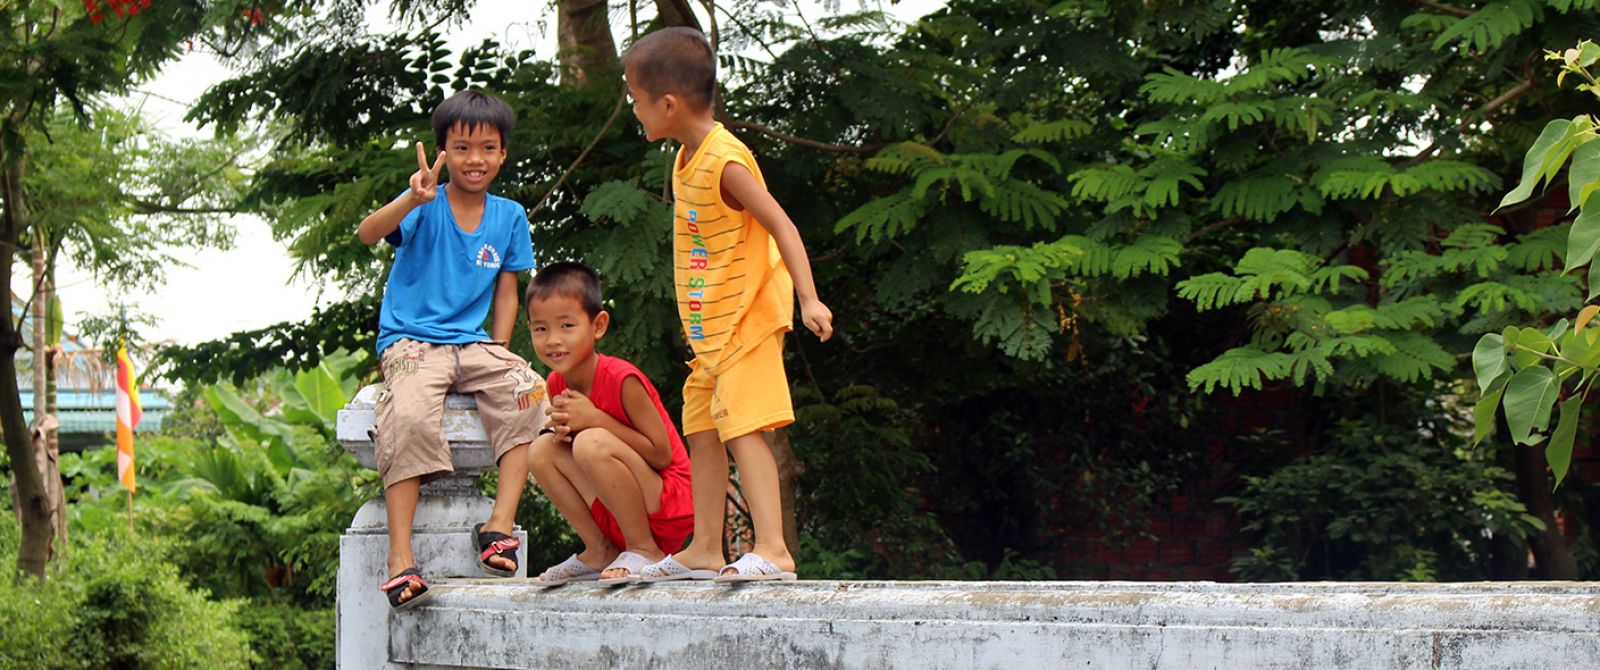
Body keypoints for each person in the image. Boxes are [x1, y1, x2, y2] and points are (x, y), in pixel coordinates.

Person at [621, 27, 834, 582]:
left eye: (636, 100)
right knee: (702, 428)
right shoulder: (686, 158)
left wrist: (809, 298)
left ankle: (774, 551)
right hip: (710, 331)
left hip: (746, 320)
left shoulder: (725, 161)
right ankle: (704, 549)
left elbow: (781, 224)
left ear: (667, 104)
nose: (635, 111)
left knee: (743, 427)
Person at [356, 90, 547, 609]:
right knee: (413, 416)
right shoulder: (425, 202)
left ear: (504, 153)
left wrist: (503, 350)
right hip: (411, 341)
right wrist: (411, 199)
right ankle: (401, 559)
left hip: (473, 343)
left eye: (487, 148)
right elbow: (367, 232)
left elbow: (508, 290)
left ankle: (498, 528)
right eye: (462, 148)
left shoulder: (508, 217)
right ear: (442, 150)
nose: (475, 160)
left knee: (527, 389)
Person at [524, 262, 698, 585]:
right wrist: (566, 434)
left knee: (591, 442)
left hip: (668, 501)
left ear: (598, 325)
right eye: (540, 329)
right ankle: (600, 549)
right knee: (540, 450)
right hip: (618, 501)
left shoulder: (621, 379)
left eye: (566, 326)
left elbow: (662, 455)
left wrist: (594, 420)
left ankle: (644, 549)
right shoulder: (556, 383)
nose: (553, 340)